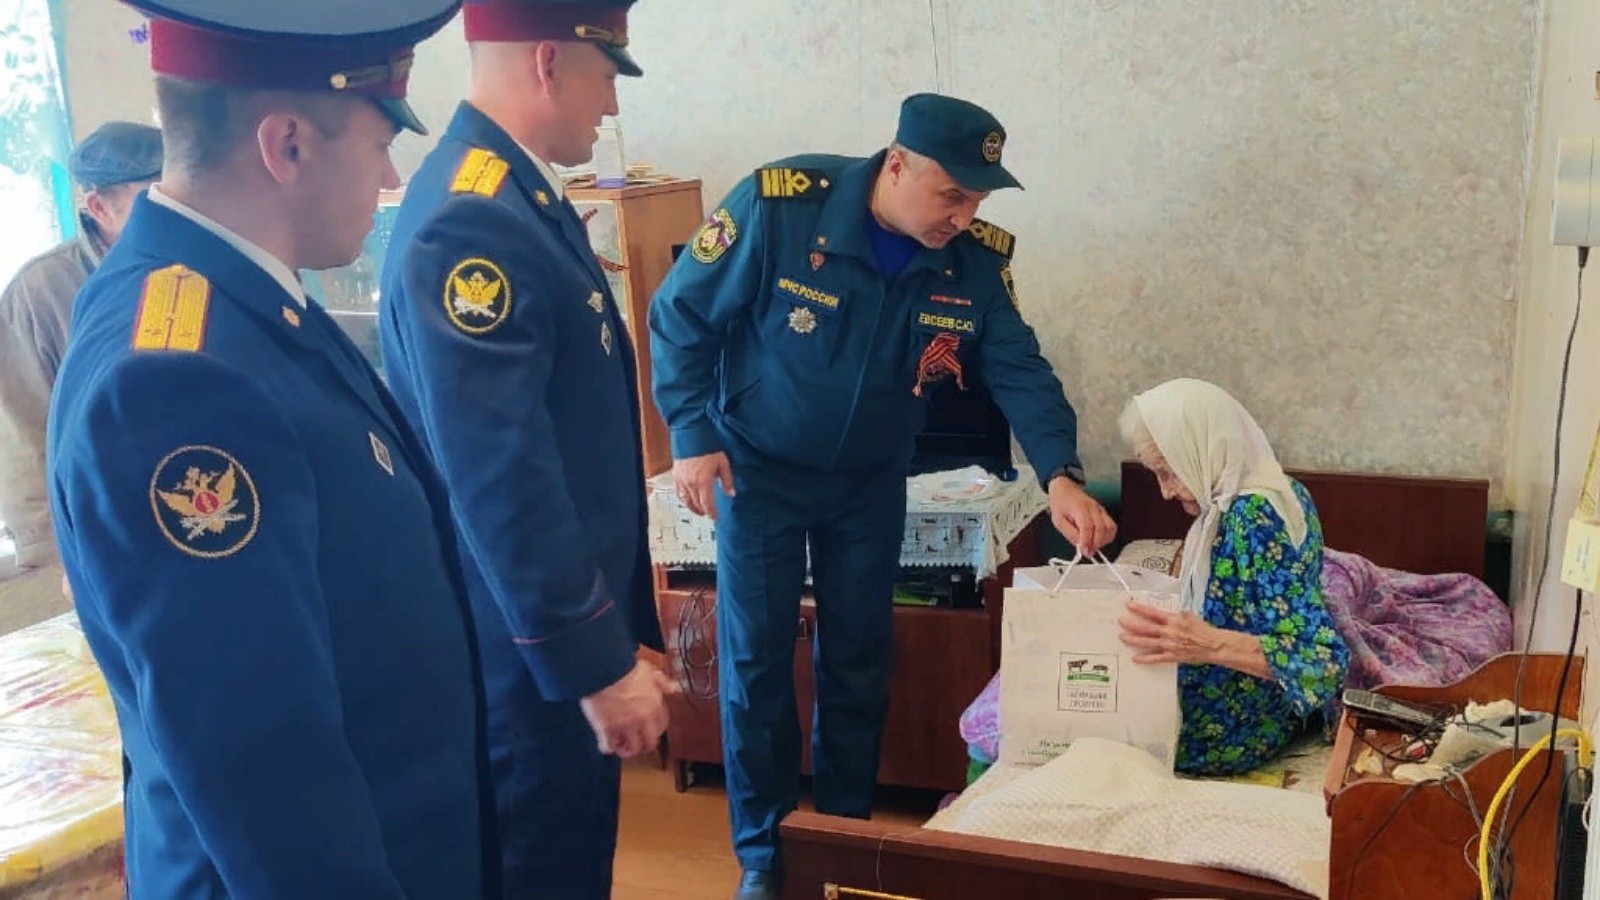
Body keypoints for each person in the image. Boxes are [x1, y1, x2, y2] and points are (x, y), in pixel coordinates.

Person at [46, 1, 499, 897]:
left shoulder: (238, 299)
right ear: (287, 145)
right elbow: (265, 770)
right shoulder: (176, 383)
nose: (391, 175)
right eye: (380, 144)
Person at [648, 92, 1118, 899]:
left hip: (869, 481)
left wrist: (1062, 475)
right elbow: (681, 312)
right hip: (758, 472)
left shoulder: (972, 261)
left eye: (978, 200)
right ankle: (763, 856)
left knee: (859, 660)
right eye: (951, 194)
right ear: (895, 165)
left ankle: (841, 836)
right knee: (756, 663)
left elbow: (1018, 367)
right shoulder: (781, 206)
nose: (964, 217)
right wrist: (691, 433)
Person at [378, 1, 670, 896]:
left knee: (573, 862)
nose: (611, 107)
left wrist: (620, 636)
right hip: (523, 657)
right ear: (549, 62)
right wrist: (590, 658)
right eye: (607, 76)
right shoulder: (473, 220)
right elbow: (500, 472)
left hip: (551, 642)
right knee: (539, 869)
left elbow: (575, 447)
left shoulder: (517, 193)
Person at [1115, 377, 1350, 776]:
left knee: (1084, 722)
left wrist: (1208, 643)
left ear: (1203, 449)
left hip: (1239, 725)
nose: (1165, 493)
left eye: (1170, 473)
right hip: (1261, 702)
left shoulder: (1252, 519)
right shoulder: (1279, 486)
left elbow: (1324, 662)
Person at [0, 120, 161, 578]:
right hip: (100, 544)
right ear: (99, 207)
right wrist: (56, 561)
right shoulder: (41, 291)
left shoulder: (195, 268)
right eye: (156, 198)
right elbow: (22, 438)